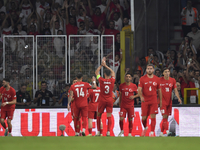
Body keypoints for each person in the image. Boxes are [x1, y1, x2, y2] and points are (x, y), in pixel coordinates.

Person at [138, 64, 162, 137]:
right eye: (148, 68)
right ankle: (145, 127)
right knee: (144, 118)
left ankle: (152, 133)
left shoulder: (157, 79)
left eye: (151, 68)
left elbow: (159, 90)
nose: (149, 70)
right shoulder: (142, 79)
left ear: (153, 70)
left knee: (153, 116)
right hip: (145, 101)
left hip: (153, 100)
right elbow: (139, 89)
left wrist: (160, 101)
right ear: (146, 70)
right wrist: (141, 96)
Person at [95, 57, 115, 136]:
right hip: (109, 100)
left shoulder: (101, 80)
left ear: (104, 74)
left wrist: (101, 65)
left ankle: (99, 132)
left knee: (99, 115)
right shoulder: (112, 80)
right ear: (110, 74)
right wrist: (106, 66)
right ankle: (109, 132)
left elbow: (96, 72)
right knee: (109, 116)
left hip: (102, 100)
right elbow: (113, 72)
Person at [159, 68, 182, 137]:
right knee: (165, 116)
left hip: (169, 102)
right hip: (162, 101)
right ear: (163, 73)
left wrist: (178, 98)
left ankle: (161, 132)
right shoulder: (159, 80)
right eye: (165, 72)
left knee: (166, 117)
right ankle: (167, 131)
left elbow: (175, 90)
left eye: (168, 71)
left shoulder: (173, 80)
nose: (167, 73)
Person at [118, 72, 139, 137]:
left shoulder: (134, 86)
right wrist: (119, 102)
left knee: (130, 119)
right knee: (121, 119)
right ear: (124, 78)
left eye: (129, 77)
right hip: (123, 105)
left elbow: (139, 94)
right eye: (127, 76)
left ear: (131, 78)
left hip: (130, 105)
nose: (128, 78)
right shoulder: (121, 85)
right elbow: (120, 95)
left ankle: (130, 133)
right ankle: (122, 130)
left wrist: (134, 97)